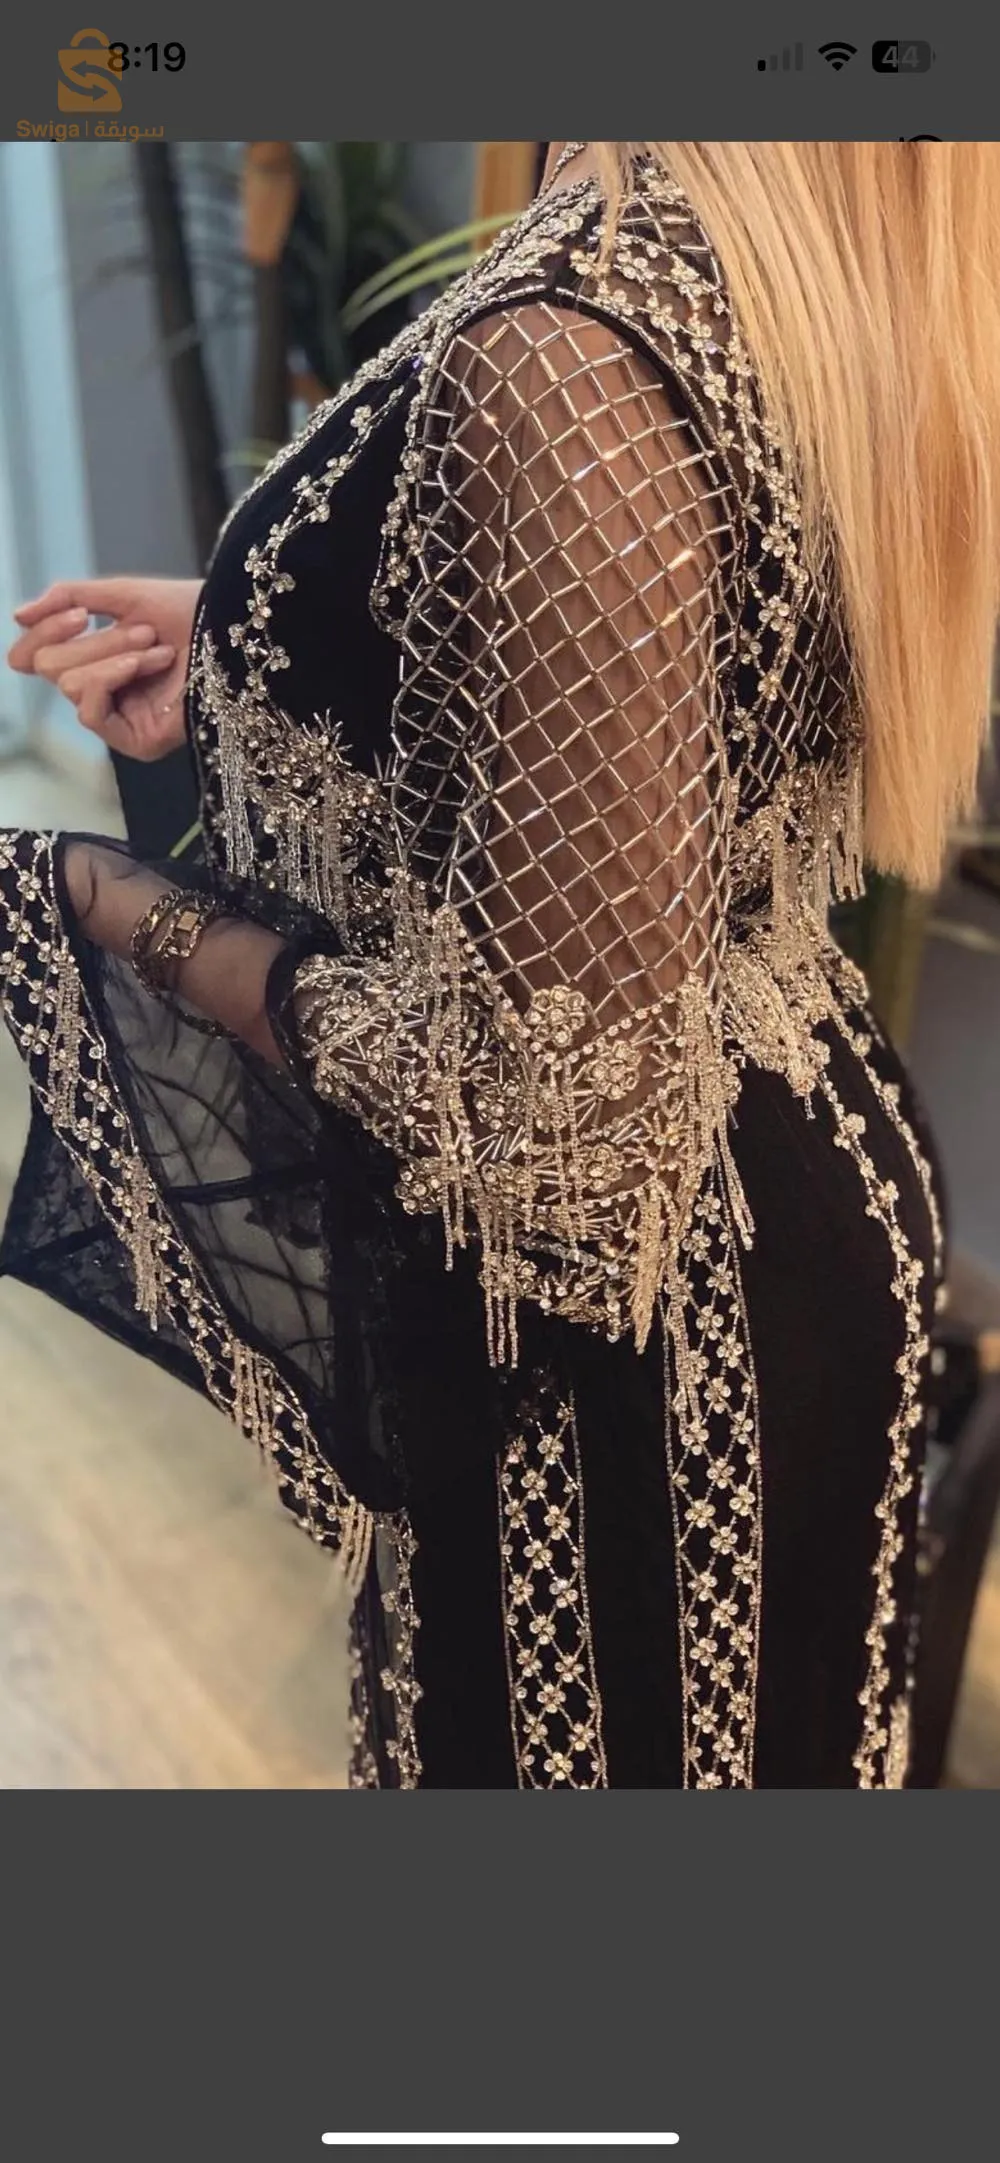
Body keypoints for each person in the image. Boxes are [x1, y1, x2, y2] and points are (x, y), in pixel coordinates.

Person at [3, 140, 1000, 1790]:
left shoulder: (573, 337)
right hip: (799, 1197)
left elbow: (551, 1130)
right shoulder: (777, 253)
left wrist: (108, 907)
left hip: (633, 1342)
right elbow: (649, 669)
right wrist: (275, 642)